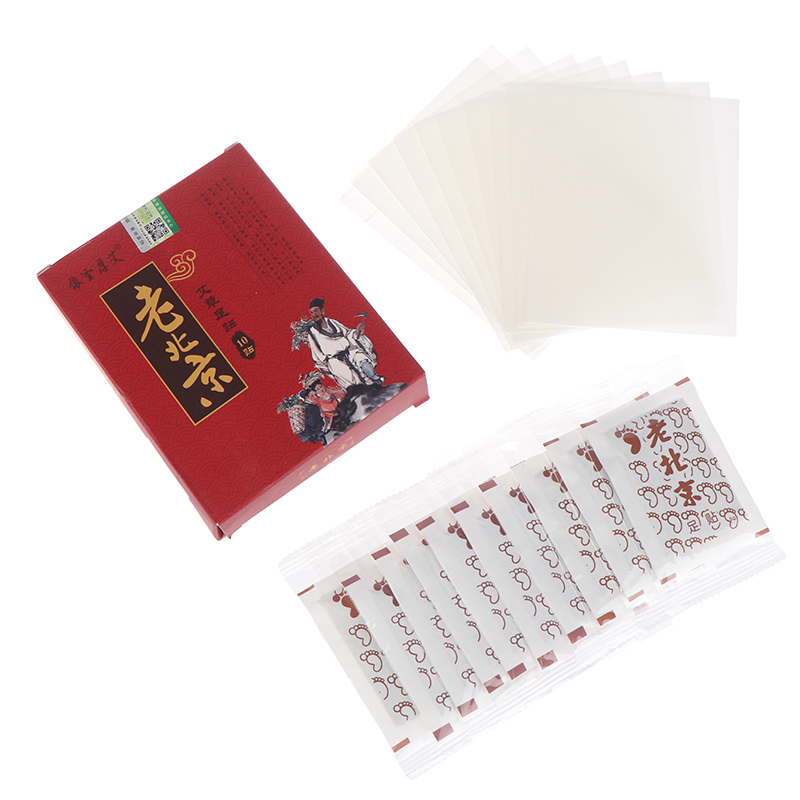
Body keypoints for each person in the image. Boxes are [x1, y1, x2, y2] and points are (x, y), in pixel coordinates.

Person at [304, 297, 383, 389]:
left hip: (349, 352)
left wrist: (357, 332)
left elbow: (347, 333)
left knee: (361, 359)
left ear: (322, 311)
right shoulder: (312, 333)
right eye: (311, 312)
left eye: (316, 311)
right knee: (351, 379)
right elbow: (316, 354)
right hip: (335, 360)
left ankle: (375, 379)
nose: (314, 314)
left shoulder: (332, 322)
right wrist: (325, 364)